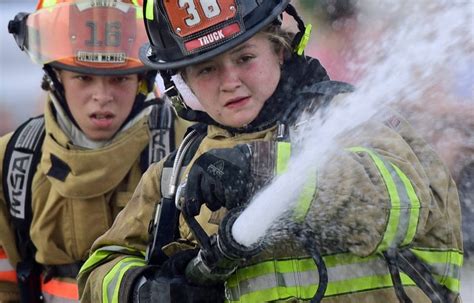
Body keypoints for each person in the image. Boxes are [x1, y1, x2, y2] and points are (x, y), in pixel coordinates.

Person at [78, 0, 463, 302]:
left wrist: (261, 169)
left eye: (245, 58)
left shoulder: (348, 122)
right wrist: (142, 289)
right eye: (207, 70)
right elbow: (100, 269)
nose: (230, 82)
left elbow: (404, 209)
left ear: (279, 49)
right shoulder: (173, 174)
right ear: (185, 82)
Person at [0, 0, 191, 302]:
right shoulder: (14, 159)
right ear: (56, 77)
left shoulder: (184, 151)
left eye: (119, 78)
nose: (102, 97)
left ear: (142, 80)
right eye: (84, 77)